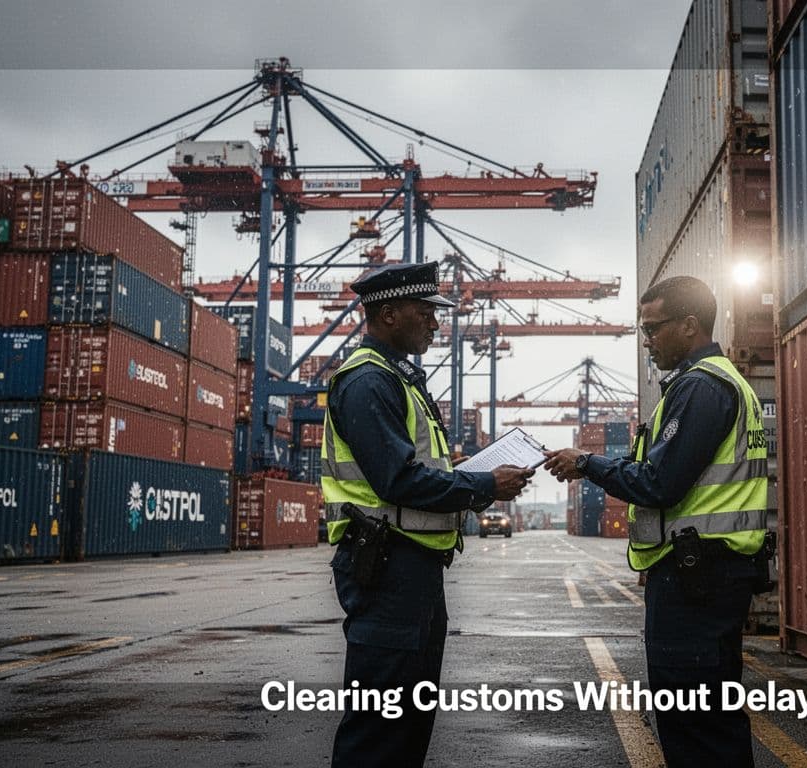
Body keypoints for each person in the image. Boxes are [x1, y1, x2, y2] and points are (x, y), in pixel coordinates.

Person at [543, 275, 770, 767]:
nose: (646, 341)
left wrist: (587, 462)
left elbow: (658, 483)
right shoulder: (724, 382)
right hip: (713, 574)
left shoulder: (701, 387)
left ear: (689, 325)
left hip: (697, 581)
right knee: (712, 718)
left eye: (652, 329)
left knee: (695, 726)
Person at [321, 261, 534, 766]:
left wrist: (475, 484)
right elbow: (397, 480)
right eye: (426, 312)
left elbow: (422, 471)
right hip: (387, 569)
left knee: (408, 726)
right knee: (380, 729)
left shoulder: (400, 379)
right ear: (389, 314)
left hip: (412, 570)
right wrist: (485, 482)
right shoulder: (369, 381)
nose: (436, 323)